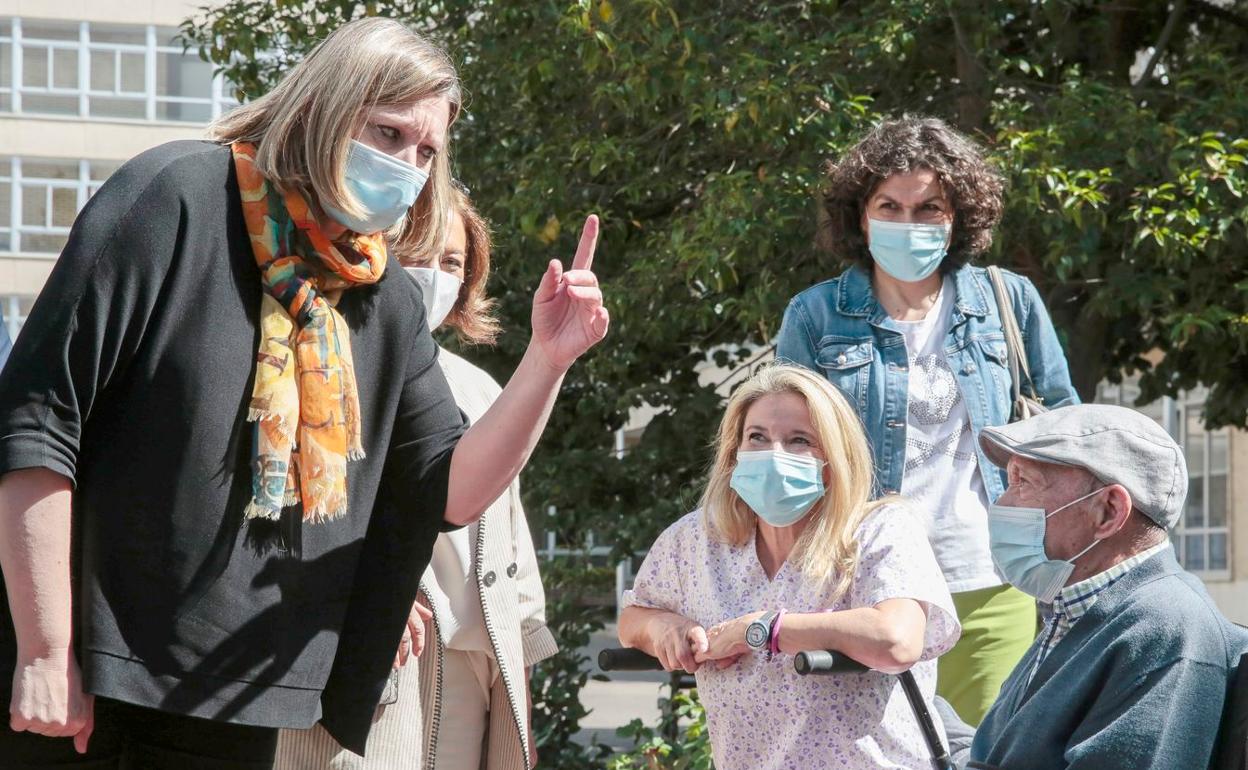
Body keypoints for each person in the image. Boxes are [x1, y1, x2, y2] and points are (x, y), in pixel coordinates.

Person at [0, 18, 607, 768]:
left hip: (248, 695)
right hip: (95, 687)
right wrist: (45, 649)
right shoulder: (175, 194)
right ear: (324, 107)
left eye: (426, 151)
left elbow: (447, 491)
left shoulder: (376, 289)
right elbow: (37, 424)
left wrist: (547, 362)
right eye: (387, 134)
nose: (408, 167)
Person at [775, 115, 1079, 724]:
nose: (907, 223)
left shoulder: (1007, 301)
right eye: (889, 205)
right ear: (861, 216)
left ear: (956, 217)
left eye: (928, 207)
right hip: (864, 587)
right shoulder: (814, 317)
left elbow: (1065, 429)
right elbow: (786, 450)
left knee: (995, 753)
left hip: (992, 579)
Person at [275, 189, 556, 769]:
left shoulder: (483, 389)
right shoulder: (315, 362)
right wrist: (371, 588)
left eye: (451, 261)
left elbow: (511, 560)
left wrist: (517, 694)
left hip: (472, 680)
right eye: (416, 253)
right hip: (373, 667)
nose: (431, 275)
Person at [617, 363, 960, 770]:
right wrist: (664, 629)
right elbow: (634, 618)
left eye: (799, 440)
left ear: (834, 458)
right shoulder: (698, 539)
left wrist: (763, 630)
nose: (773, 455)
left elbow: (896, 640)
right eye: (757, 437)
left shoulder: (879, 529)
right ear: (734, 452)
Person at [952, 404, 1248, 769]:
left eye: (1023, 483)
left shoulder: (1163, 630)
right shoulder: (1076, 611)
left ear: (1108, 511)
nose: (1002, 502)